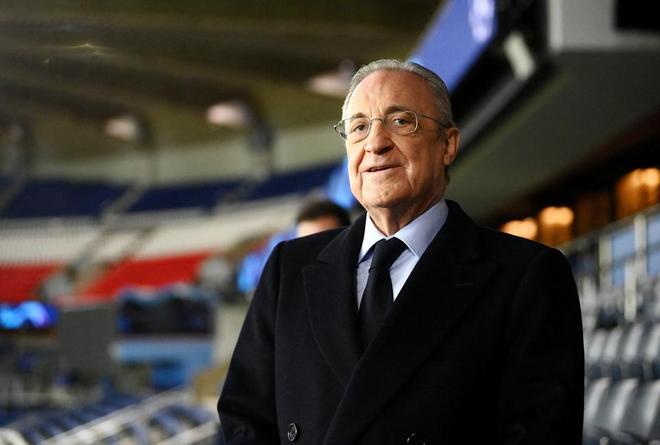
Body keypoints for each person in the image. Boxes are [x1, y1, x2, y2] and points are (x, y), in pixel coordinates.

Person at [218, 59, 584, 445]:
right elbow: (245, 418)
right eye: (359, 127)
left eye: (400, 121)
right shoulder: (288, 268)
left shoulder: (527, 275)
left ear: (448, 144)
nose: (375, 143)